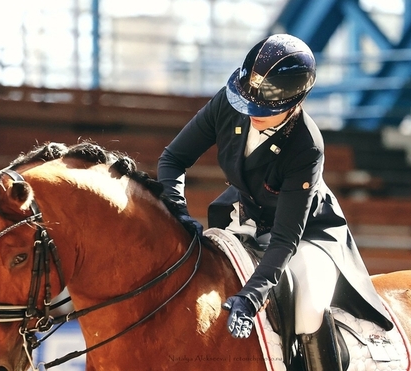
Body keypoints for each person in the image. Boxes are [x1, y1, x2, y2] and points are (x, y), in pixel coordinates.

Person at [158, 34, 393, 371]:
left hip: (308, 234)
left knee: (310, 309)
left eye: (263, 109)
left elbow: (285, 240)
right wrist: (178, 213)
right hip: (244, 216)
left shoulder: (306, 145)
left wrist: (251, 296)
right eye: (246, 102)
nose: (250, 113)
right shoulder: (230, 102)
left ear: (296, 101)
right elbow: (172, 159)